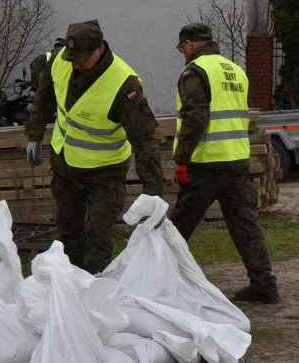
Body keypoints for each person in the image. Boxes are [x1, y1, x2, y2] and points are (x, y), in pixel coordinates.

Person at [25, 20, 164, 274]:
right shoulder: (60, 62)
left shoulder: (124, 85)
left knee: (98, 237)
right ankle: (72, 286)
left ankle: (95, 292)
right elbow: (45, 96)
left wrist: (154, 196)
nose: (75, 63)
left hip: (105, 173)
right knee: (68, 233)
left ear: (100, 49)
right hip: (66, 166)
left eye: (81, 58)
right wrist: (34, 134)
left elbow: (145, 142)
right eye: (72, 57)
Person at [168, 23, 279, 304]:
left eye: (182, 48)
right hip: (237, 161)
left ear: (191, 44)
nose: (183, 53)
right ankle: (264, 284)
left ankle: (160, 282)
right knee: (246, 226)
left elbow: (195, 118)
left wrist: (181, 160)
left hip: (206, 162)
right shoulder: (234, 70)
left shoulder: (195, 72)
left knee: (178, 227)